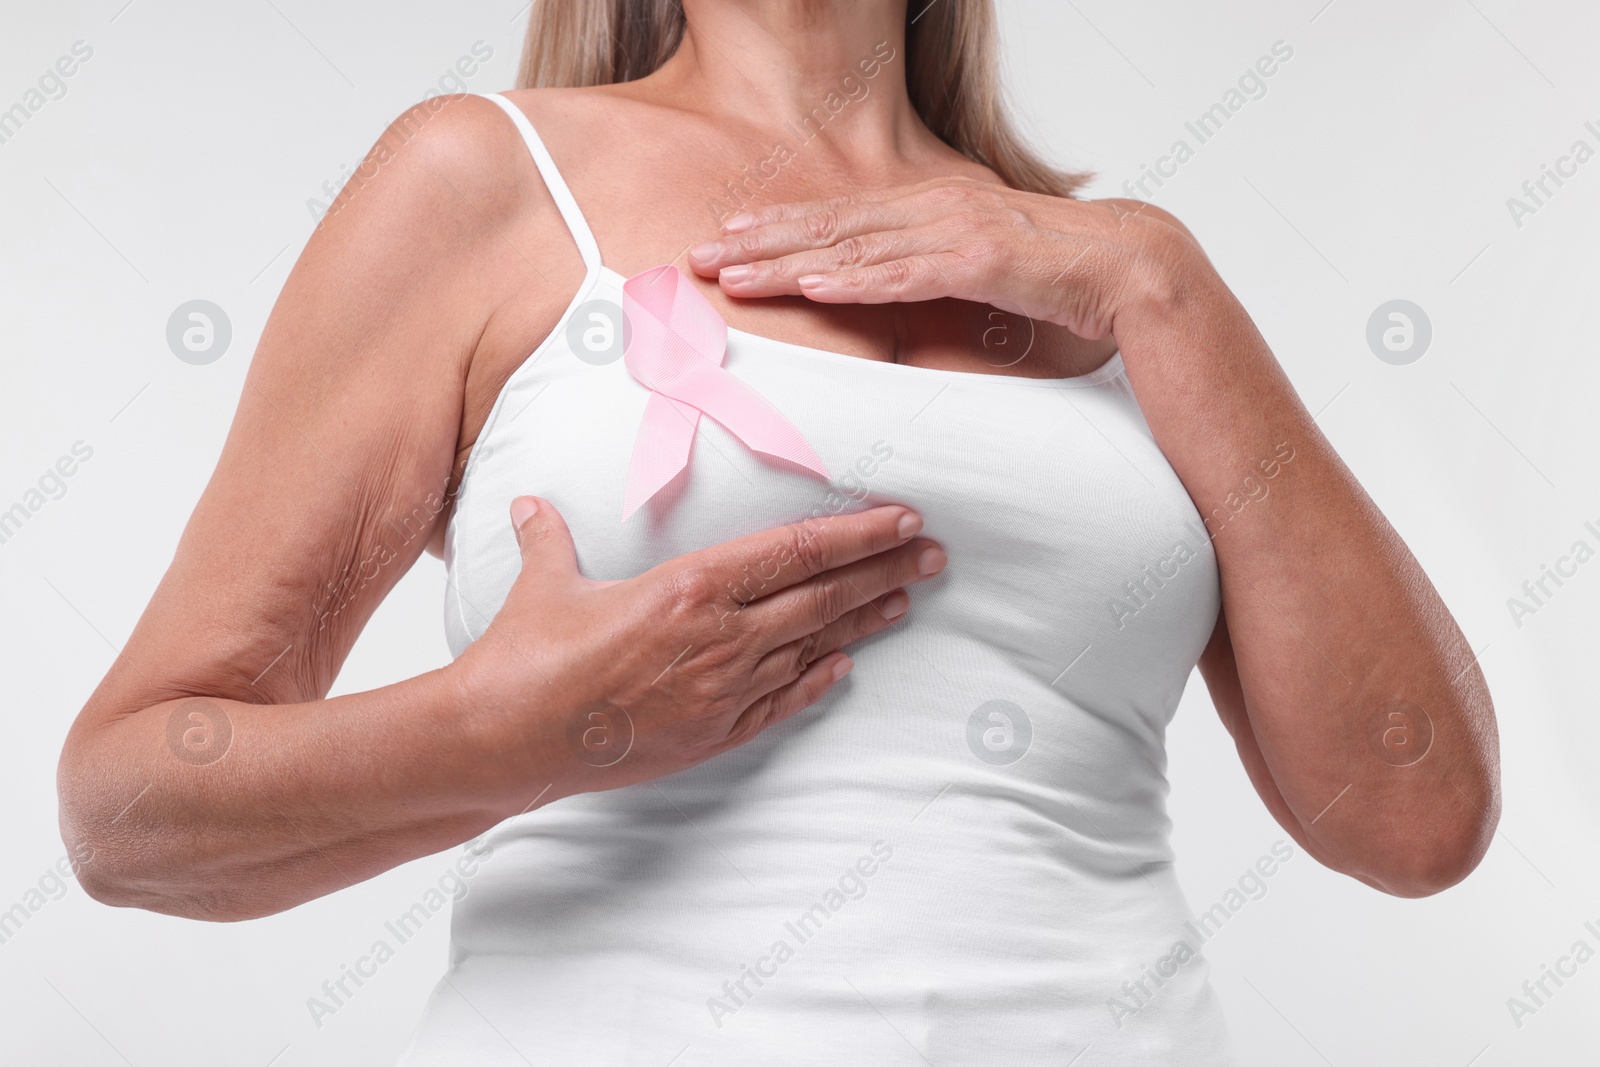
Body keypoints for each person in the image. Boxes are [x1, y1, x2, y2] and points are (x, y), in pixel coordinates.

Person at [58, 1, 1500, 1062]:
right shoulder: (484, 183)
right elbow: (129, 811)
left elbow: (1417, 816)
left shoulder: (1107, 271)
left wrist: (1165, 284)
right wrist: (507, 732)